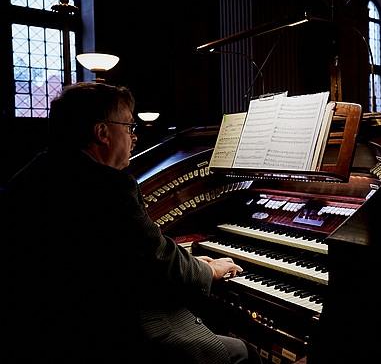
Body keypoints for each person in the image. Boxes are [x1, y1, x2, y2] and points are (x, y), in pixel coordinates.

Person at [3, 82, 257, 363]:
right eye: (128, 127)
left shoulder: (32, 175)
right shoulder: (107, 186)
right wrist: (209, 271)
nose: (134, 138)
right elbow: (157, 258)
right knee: (243, 353)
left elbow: (133, 247)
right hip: (111, 333)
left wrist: (188, 259)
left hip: (48, 325)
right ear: (101, 132)